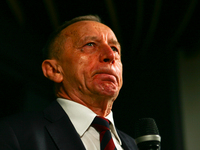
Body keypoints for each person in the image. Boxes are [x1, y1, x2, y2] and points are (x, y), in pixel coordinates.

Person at [0, 15, 138, 150]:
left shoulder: (135, 146)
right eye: (90, 44)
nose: (110, 55)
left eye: (115, 48)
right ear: (54, 70)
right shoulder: (14, 134)